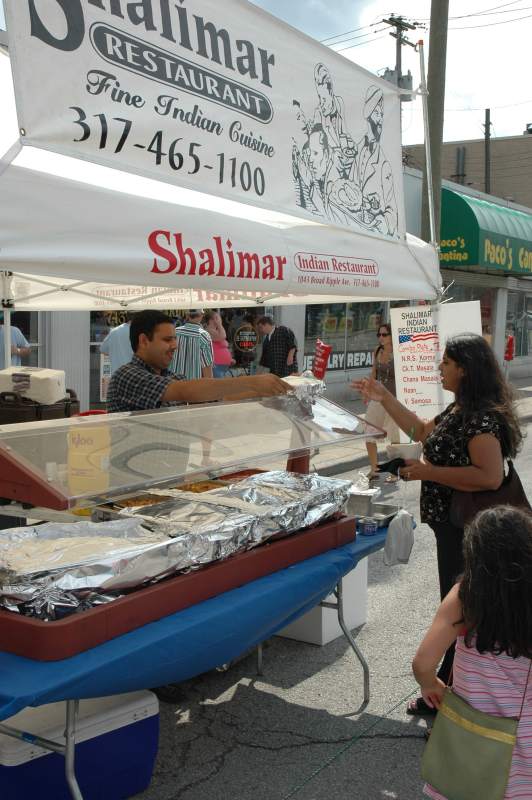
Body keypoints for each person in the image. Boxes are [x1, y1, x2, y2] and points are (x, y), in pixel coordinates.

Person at [352, 333, 523, 711]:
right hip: (453, 527)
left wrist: (428, 473)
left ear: (464, 369)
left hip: (469, 529)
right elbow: (420, 431)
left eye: (445, 362)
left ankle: (455, 699)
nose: (439, 368)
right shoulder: (459, 409)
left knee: (462, 610)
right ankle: (449, 687)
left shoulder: (481, 418)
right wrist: (385, 397)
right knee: (459, 609)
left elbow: (490, 477)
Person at [413, 506, 532, 800]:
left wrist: (430, 684)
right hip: (524, 731)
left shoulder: (465, 596)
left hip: (470, 727)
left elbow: (423, 662)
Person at [106, 310, 290, 414]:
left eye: (174, 339)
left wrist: (265, 391)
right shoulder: (127, 376)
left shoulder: (171, 376)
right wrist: (252, 381)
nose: (174, 345)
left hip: (169, 475)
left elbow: (216, 397)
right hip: (138, 479)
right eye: (167, 340)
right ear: (144, 341)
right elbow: (186, 392)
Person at [350, 85, 398, 237]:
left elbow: (392, 212)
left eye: (382, 115)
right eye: (377, 113)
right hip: (351, 230)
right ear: (368, 115)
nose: (380, 120)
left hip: (373, 238)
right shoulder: (356, 152)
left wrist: (380, 223)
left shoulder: (384, 165)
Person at [364, 323, 400, 481]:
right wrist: (367, 391)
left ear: (392, 336)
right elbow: (373, 373)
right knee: (369, 432)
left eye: (384, 335)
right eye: (379, 334)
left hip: (394, 399)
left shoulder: (399, 352)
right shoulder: (377, 350)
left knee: (394, 437)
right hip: (377, 397)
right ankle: (374, 469)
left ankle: (394, 472)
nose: (381, 337)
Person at [171, 309, 213, 379]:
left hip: (174, 382)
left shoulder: (175, 331)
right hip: (193, 384)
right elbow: (207, 365)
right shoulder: (203, 335)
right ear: (202, 315)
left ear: (187, 315)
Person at [203, 310, 234, 378]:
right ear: (212, 320)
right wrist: (219, 324)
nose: (220, 319)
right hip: (216, 365)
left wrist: (230, 358)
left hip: (221, 365)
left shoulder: (215, 330)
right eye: (218, 317)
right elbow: (222, 336)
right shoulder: (208, 330)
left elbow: (219, 346)